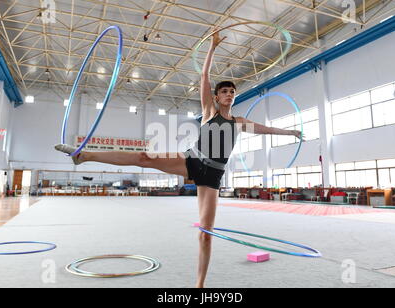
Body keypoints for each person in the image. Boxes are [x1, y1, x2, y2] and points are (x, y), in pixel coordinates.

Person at [55, 28, 302, 288]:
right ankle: (84, 156)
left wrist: (292, 131)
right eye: (225, 91)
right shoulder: (209, 111)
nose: (229, 94)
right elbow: (204, 76)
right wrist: (213, 46)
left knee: (206, 234)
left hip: (213, 176)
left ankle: (199, 285)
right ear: (217, 97)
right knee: (143, 157)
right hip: (192, 160)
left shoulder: (240, 122)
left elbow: (267, 129)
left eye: (232, 92)